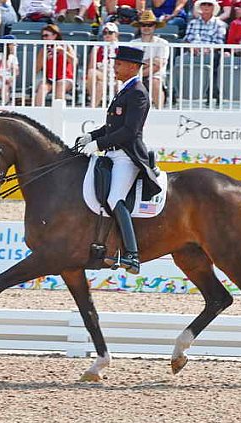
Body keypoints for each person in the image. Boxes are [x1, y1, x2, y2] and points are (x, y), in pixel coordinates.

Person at [75, 45, 162, 275]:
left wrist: (97, 145)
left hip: (127, 156)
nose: (115, 67)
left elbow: (129, 132)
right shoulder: (124, 90)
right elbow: (112, 126)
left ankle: (132, 254)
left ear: (133, 67)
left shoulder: (139, 93)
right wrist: (91, 136)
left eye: (119, 63)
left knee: (115, 199)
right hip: (112, 153)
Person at [130, 9, 170, 108]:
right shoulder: (133, 43)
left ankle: (159, 110)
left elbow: (158, 65)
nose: (146, 27)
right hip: (136, 73)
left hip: (154, 74)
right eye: (143, 25)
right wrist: (150, 62)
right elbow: (131, 64)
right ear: (140, 27)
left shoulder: (162, 43)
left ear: (154, 26)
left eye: (149, 25)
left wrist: (140, 72)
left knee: (155, 81)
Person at [34, 23, 77, 106]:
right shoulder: (43, 50)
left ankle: (58, 114)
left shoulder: (66, 46)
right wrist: (44, 59)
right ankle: (38, 113)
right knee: (42, 88)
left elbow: (74, 62)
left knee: (60, 85)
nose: (44, 38)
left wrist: (63, 52)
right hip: (50, 79)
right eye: (43, 36)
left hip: (66, 78)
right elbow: (36, 69)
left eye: (46, 35)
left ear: (54, 36)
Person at [86, 21, 120, 107]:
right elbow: (91, 67)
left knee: (119, 83)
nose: (107, 35)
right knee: (92, 73)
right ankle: (93, 105)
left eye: (110, 32)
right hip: (102, 73)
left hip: (117, 75)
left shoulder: (122, 48)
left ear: (116, 34)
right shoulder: (97, 48)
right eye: (105, 33)